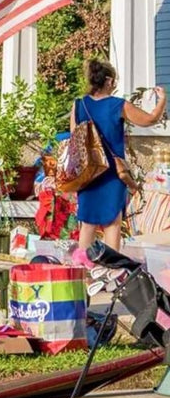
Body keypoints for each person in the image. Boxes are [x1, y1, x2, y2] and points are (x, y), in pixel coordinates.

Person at [73, 59, 166, 253]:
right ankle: (110, 271)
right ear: (108, 81)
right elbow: (150, 120)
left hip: (88, 173)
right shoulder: (118, 105)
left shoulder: (79, 105)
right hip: (111, 174)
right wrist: (162, 100)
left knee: (87, 223)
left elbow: (75, 139)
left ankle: (83, 273)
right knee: (112, 223)